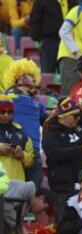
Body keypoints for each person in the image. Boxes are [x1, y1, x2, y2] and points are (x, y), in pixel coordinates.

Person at [42, 98, 82, 202]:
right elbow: (56, 154)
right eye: (75, 116)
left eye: (79, 115)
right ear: (64, 116)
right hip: (64, 187)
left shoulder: (78, 130)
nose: (79, 118)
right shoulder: (51, 133)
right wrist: (81, 148)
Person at [3, 59, 45, 189]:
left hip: (33, 152)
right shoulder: (7, 97)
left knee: (32, 191)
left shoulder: (36, 103)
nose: (34, 80)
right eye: (30, 76)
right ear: (20, 78)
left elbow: (47, 121)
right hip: (13, 150)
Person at [29, 0, 78, 73]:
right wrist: (40, 39)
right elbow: (34, 21)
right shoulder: (41, 2)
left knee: (67, 74)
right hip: (49, 41)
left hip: (68, 43)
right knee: (47, 74)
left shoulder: (73, 3)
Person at [0, 95, 34, 181]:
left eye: (10, 112)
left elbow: (30, 161)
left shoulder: (20, 132)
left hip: (16, 184)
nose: (6, 115)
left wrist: (22, 155)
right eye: (2, 111)